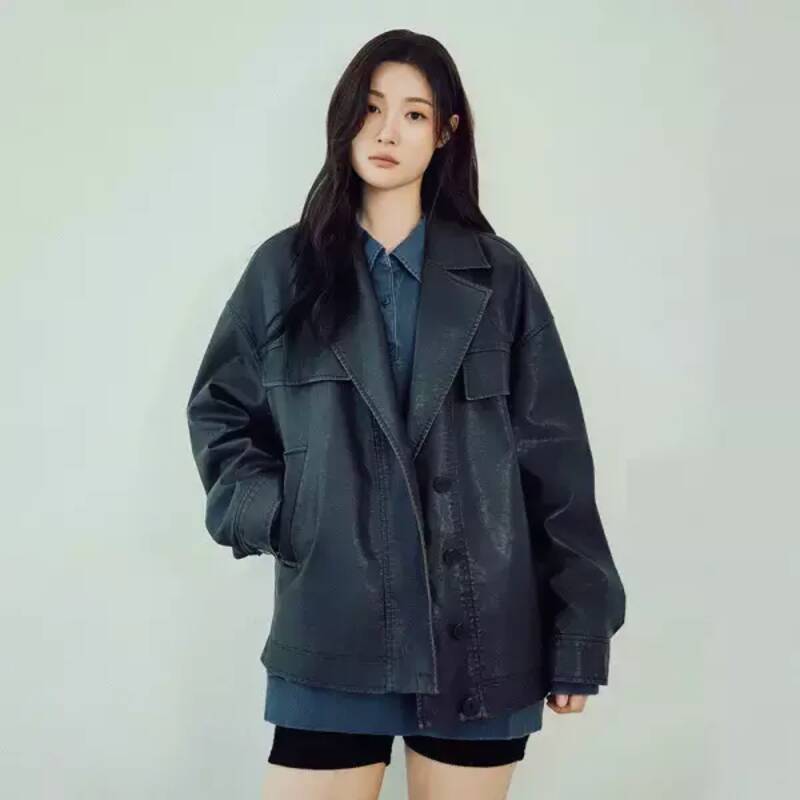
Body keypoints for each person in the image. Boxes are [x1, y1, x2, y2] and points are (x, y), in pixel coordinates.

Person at [186, 28, 626, 800]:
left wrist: (579, 633)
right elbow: (220, 416)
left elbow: (555, 460)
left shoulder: (498, 277)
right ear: (344, 118)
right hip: (334, 623)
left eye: (415, 114)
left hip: (482, 635)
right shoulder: (283, 272)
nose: (388, 131)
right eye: (372, 108)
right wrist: (291, 514)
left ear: (445, 133)